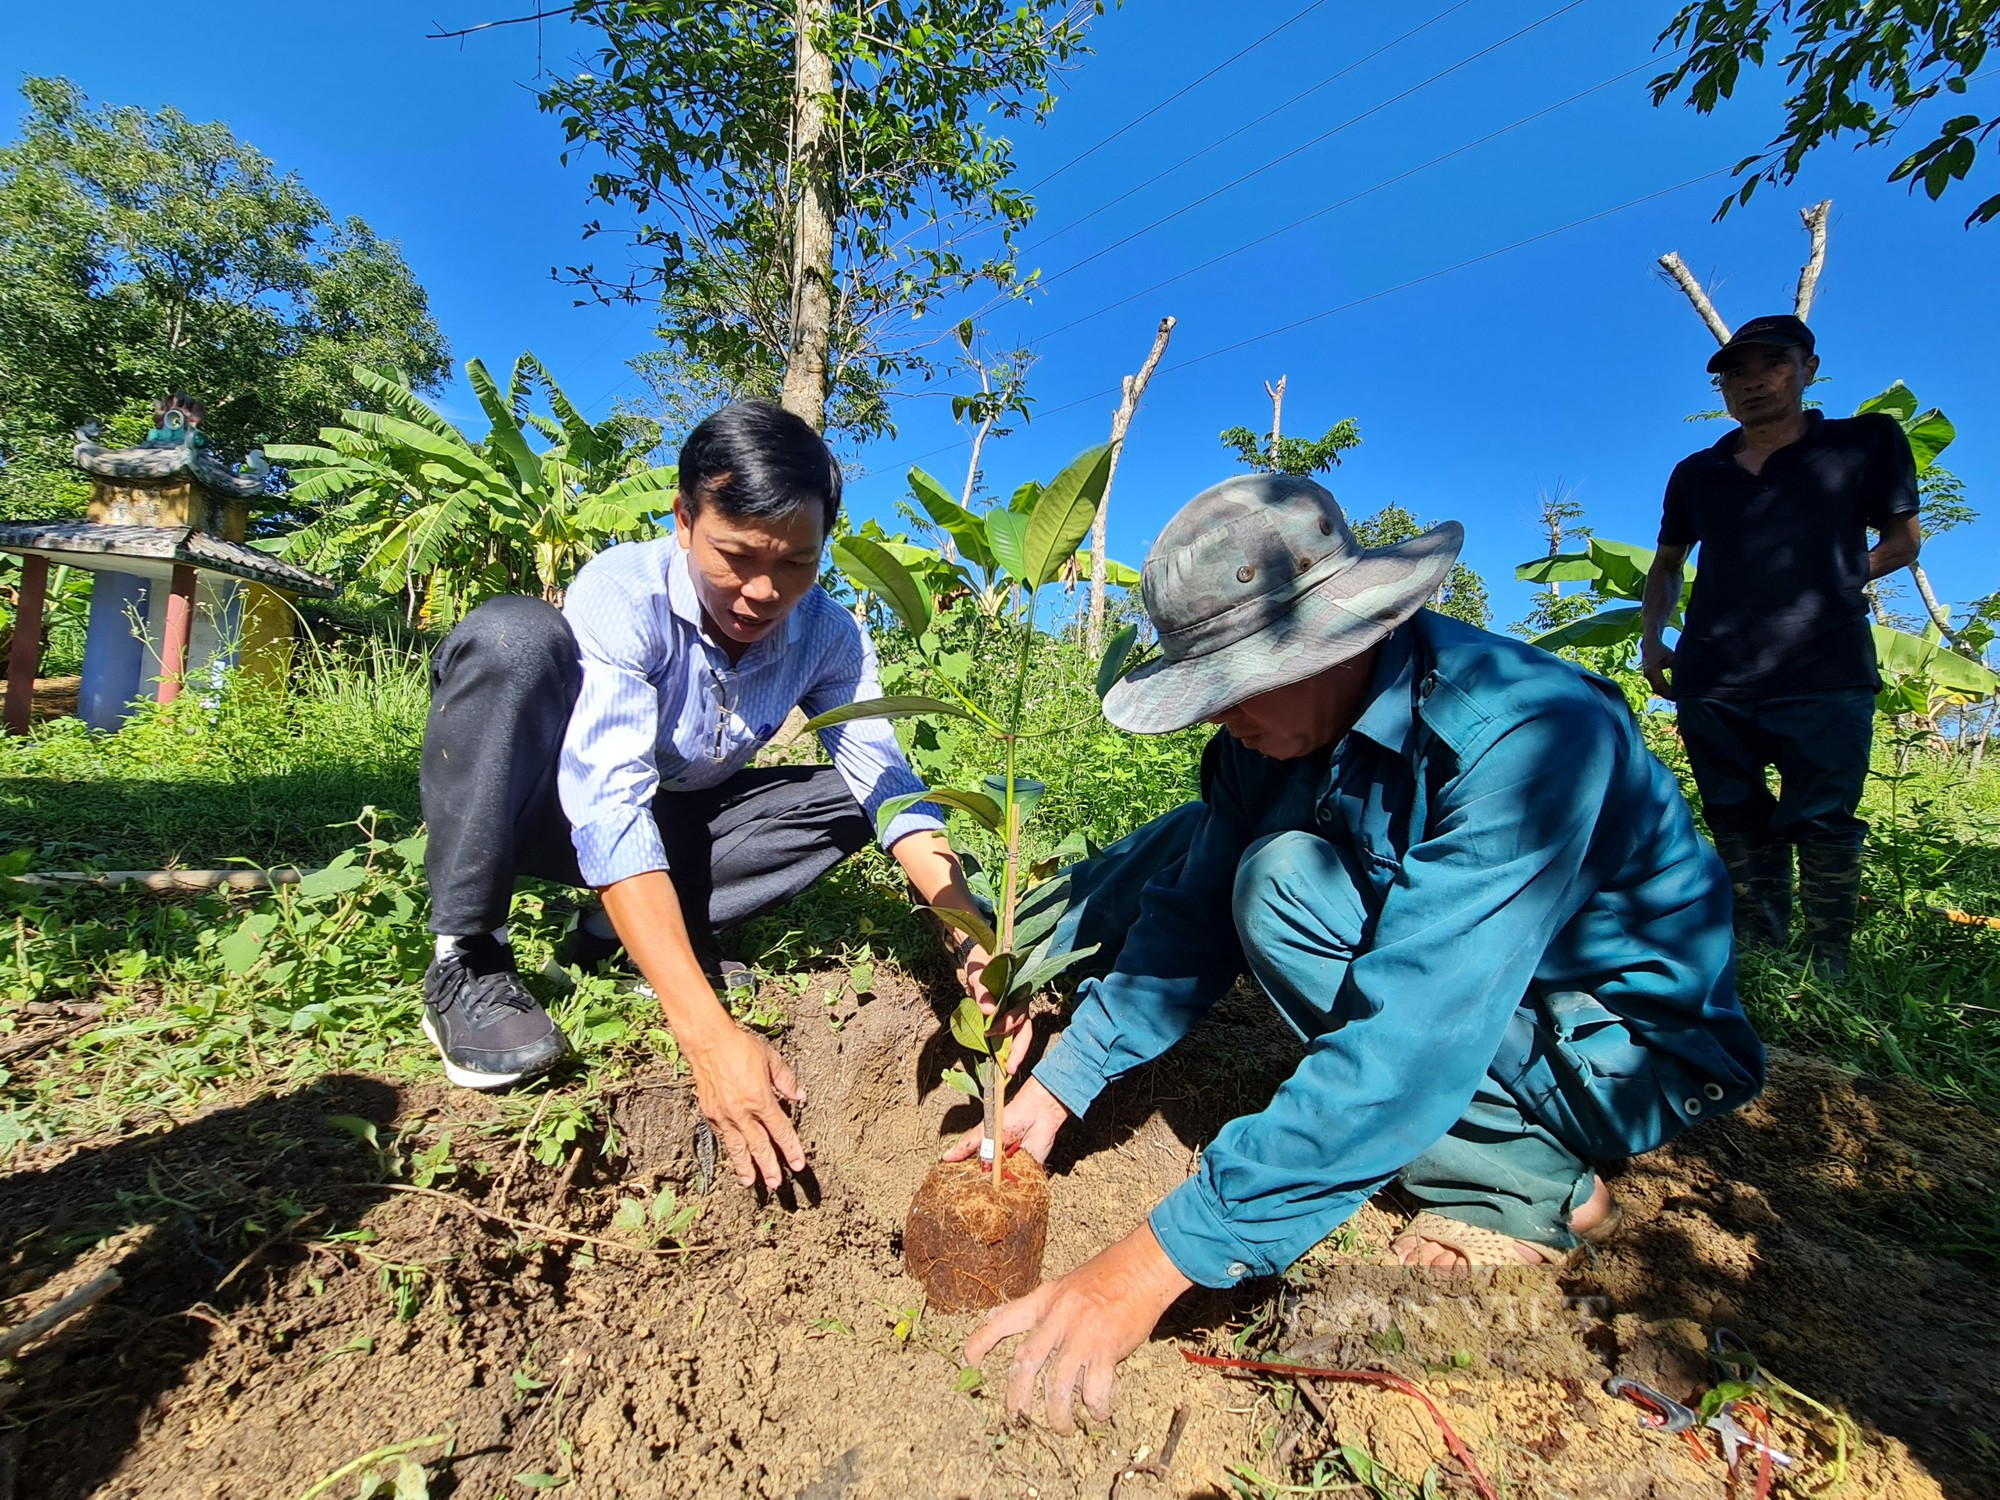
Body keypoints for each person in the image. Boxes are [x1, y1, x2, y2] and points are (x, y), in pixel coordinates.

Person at [954, 473, 1765, 1432]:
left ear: (1333, 637)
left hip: (1614, 1044)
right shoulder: (1269, 743)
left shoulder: (1526, 736)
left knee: (1281, 889)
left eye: (1235, 688)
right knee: (1259, 872)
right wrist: (1060, 1087)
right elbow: (1188, 922)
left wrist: (1146, 1266)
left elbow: (1415, 1028)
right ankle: (1505, 1148)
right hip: (1486, 998)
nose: (1221, 717)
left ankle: (1520, 1181)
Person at [417, 400, 993, 1191]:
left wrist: (970, 935)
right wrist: (709, 1036)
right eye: (737, 556)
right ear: (684, 520)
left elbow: (889, 785)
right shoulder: (625, 593)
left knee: (842, 799)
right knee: (514, 637)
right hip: (549, 808)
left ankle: (613, 937)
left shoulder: (830, 634)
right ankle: (467, 953)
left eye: (796, 564)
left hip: (671, 812)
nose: (762, 591)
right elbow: (610, 805)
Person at [1640, 315, 1920, 976]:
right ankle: (1761, 956)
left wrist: (1837, 580)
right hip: (1713, 675)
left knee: (1824, 818)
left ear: (1808, 369)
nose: (1753, 381)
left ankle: (1829, 969)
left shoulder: (1865, 442)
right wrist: (1654, 640)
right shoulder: (1698, 472)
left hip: (1824, 669)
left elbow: (1904, 541)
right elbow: (1666, 564)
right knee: (1735, 817)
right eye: (1736, 371)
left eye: (1771, 364)